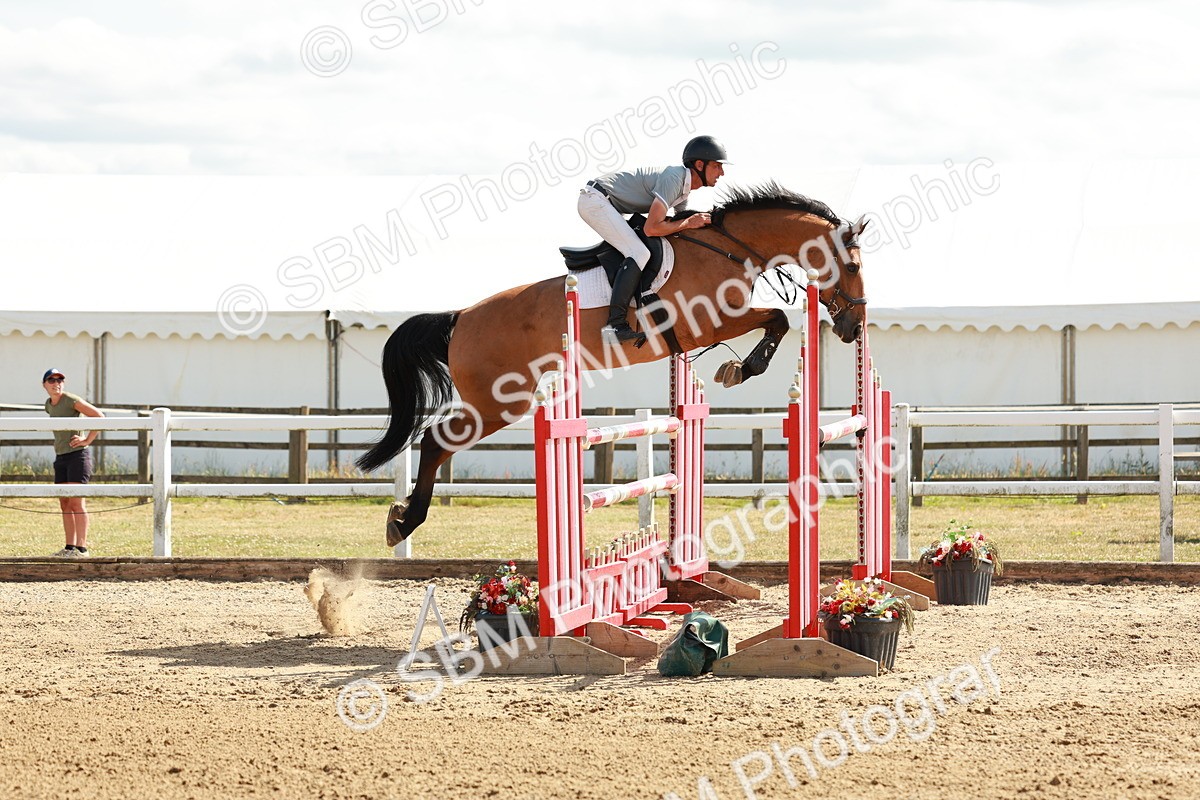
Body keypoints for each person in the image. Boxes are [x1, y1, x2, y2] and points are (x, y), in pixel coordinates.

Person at [578, 135, 730, 343]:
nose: (722, 172)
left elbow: (678, 222)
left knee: (640, 249)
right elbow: (652, 228)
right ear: (700, 165)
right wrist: (688, 223)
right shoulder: (675, 179)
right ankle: (615, 325)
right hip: (595, 201)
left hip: (607, 203)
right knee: (639, 252)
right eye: (717, 166)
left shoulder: (683, 190)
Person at [41, 368, 103, 557]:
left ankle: (82, 549)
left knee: (77, 503)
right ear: (44, 384)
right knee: (65, 503)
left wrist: (87, 440)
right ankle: (69, 548)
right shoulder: (48, 405)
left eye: (60, 380)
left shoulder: (71, 400)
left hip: (78, 456)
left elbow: (99, 417)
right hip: (61, 457)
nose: (56, 383)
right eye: (51, 380)